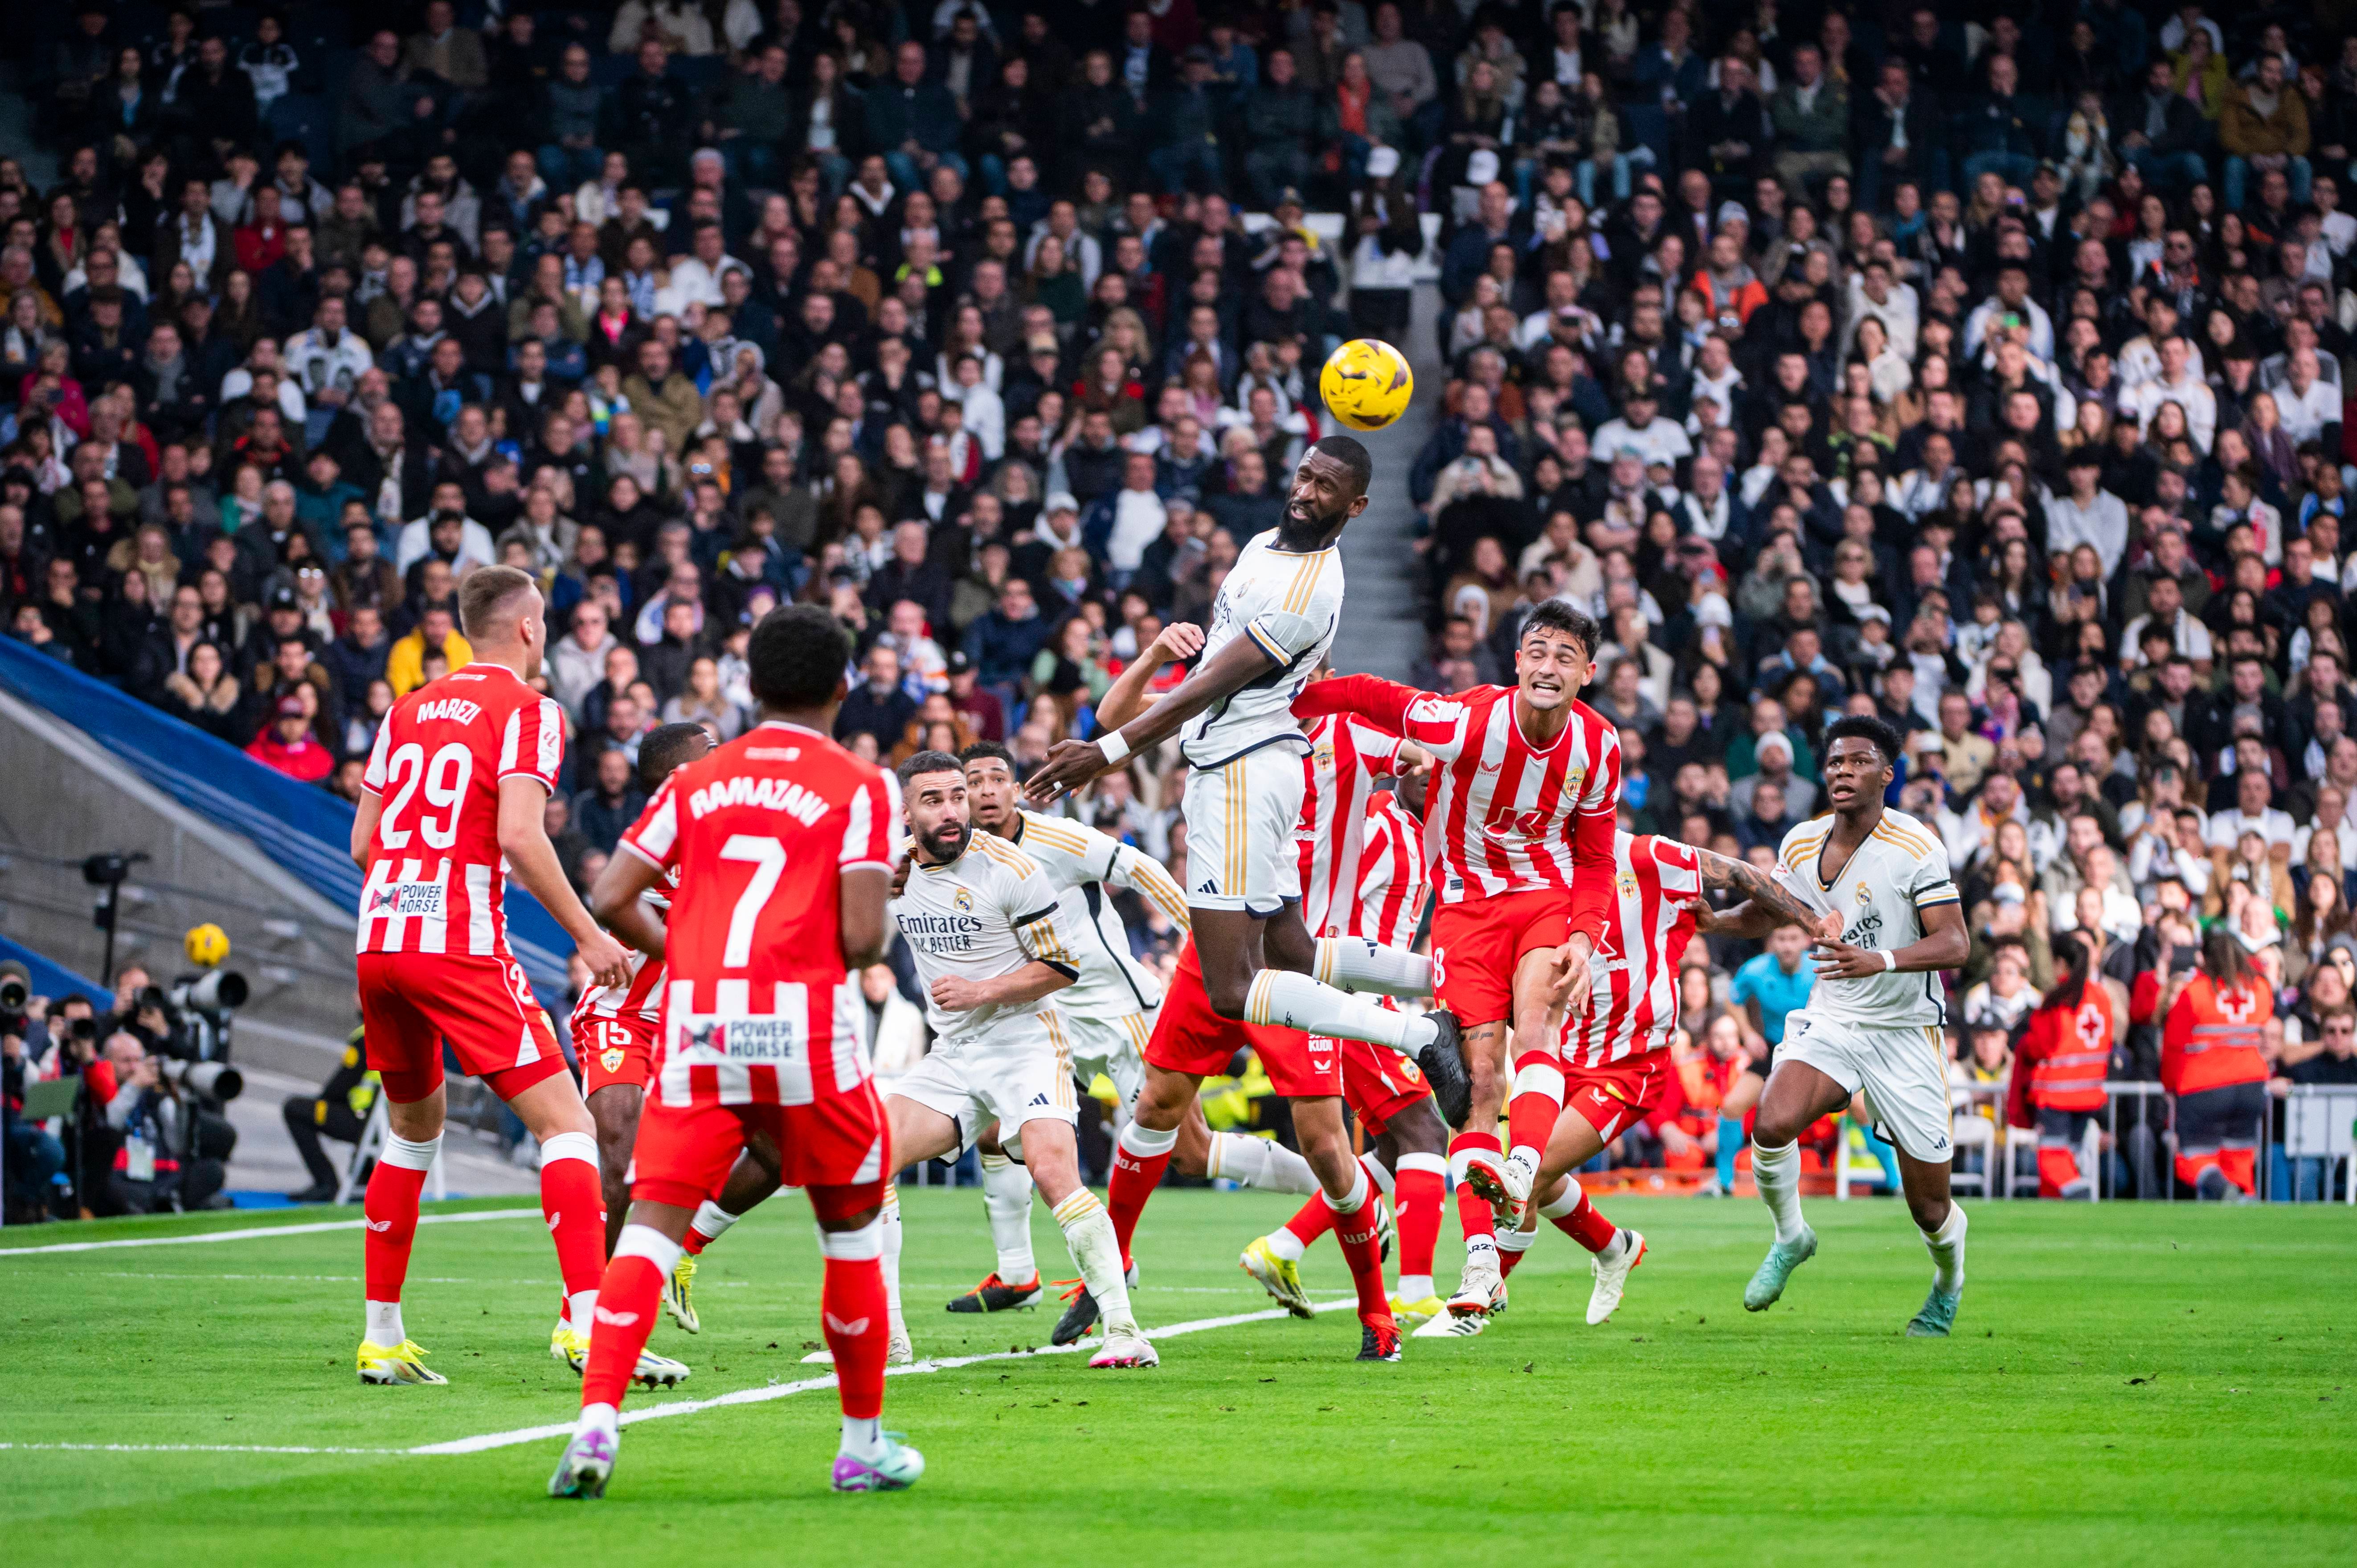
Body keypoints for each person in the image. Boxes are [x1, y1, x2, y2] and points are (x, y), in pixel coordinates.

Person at [1025, 435, 1469, 1365]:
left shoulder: (1312, 589)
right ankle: (1113, 1270)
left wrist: (1108, 750)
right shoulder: (1265, 547)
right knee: (1194, 1058)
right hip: (1230, 776)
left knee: (1244, 998)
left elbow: (1219, 684)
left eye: (1326, 486)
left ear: (1355, 509)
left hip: (1237, 778)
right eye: (1302, 473)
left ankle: (1416, 1034)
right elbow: (1196, 674)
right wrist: (1139, 688)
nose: (1304, 490)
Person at [554, 604, 918, 1498]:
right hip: (809, 1035)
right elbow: (868, 941)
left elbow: (609, 893)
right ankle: (860, 1441)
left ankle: (597, 1419)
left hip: (702, 1029)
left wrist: (691, 951)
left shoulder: (696, 780)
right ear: (843, 686)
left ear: (751, 686)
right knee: (850, 1232)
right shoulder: (861, 784)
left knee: (648, 1225)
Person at [1278, 598, 1623, 1326]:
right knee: (1477, 1084)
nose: (1548, 665)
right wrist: (1285, 698)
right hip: (1465, 913)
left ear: (1587, 675)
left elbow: (1594, 860)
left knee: (1536, 1019)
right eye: (1537, 650)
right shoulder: (1469, 721)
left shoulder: (1599, 748)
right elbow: (1377, 698)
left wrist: (1585, 940)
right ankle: (1479, 1267)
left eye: (1566, 656)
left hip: (1545, 900)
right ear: (1518, 662)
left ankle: (1520, 1169)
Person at [348, 565, 634, 1390]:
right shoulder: (531, 711)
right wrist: (589, 932)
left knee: (411, 1132)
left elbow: (365, 843)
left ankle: (382, 1337)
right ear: (530, 629)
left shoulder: (405, 712)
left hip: (381, 937)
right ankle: (587, 1324)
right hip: (457, 939)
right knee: (569, 1127)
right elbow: (518, 832)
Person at [879, 751, 1155, 1370]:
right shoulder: (888, 869)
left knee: (1055, 1173)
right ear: (907, 812)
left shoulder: (1012, 867)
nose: (953, 811)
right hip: (953, 1053)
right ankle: (888, 1339)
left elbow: (1061, 967)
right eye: (934, 800)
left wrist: (980, 991)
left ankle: (1123, 1330)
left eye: (957, 796)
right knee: (868, 1156)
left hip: (1025, 1042)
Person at [1497, 832, 1832, 1327]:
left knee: (1529, 1171)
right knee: (1535, 1179)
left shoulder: (1649, 856)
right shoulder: (1536, 863)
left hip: (1630, 1062)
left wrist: (1812, 922)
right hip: (1559, 1052)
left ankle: (1481, 1287)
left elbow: (1740, 874)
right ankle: (1615, 1247)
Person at [1735, 714, 1974, 1335]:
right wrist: (1710, 921)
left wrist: (1881, 959)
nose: (1843, 771)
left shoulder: (1915, 848)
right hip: (1835, 1015)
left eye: (1859, 761)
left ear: (1887, 776)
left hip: (1904, 1030)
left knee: (1928, 1207)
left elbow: (1955, 942)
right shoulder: (1799, 842)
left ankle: (1947, 1283)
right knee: (1770, 1120)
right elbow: (1770, 911)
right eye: (1836, 761)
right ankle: (1791, 1238)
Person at [943, 739, 1192, 1316]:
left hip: (1122, 1013)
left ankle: (1329, 1192)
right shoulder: (964, 858)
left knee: (1193, 1155)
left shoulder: (1055, 838)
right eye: (970, 783)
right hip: (1051, 1020)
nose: (983, 792)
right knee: (995, 1131)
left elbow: (1141, 867)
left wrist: (1197, 941)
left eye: (994, 779)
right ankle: (1016, 1274)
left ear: (1015, 788)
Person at [1239, 684, 1452, 1330]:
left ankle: (1281, 1247)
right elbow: (1329, 905)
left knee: (1392, 1149)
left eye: (1440, 775)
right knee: (1424, 1131)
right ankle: (1414, 1288)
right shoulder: (1383, 827)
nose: (1430, 781)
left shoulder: (1418, 835)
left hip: (1365, 997)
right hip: (1348, 1000)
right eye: (1423, 770)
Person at [564, 722, 712, 1259]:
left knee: (774, 1149)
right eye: (712, 752)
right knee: (619, 1156)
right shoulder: (657, 843)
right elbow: (610, 904)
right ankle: (588, 1314)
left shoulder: (730, 835)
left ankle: (683, 1250)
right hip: (621, 1015)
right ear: (682, 775)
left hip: (689, 1026)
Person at [2159, 925, 2273, 1200]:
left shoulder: (2195, 992)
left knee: (2191, 1158)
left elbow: (2174, 1047)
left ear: (2205, 958)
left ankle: (2222, 1189)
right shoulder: (2260, 989)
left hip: (2204, 1086)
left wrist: (2170, 1086)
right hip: (2250, 1085)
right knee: (2239, 1158)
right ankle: (2243, 1210)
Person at [2005, 930, 2116, 1199]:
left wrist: (2023, 1044)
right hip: (2089, 1093)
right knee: (2071, 1156)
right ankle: (2059, 1206)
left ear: (2061, 963)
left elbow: (2040, 1046)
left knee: (2051, 1158)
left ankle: (2076, 1190)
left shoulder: (2058, 999)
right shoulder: (2101, 996)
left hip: (2057, 1094)